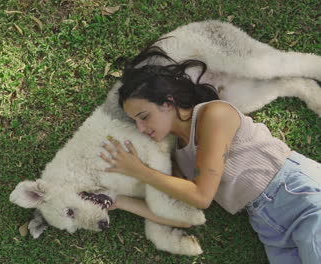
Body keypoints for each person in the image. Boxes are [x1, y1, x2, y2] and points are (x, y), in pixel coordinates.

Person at [99, 45, 321, 264]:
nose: (140, 128)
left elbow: (202, 196)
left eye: (144, 116)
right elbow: (183, 216)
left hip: (297, 196)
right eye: (135, 122)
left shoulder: (215, 114)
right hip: (270, 228)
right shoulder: (180, 156)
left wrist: (139, 170)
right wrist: (119, 201)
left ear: (168, 103)